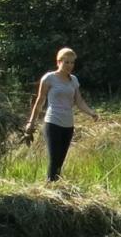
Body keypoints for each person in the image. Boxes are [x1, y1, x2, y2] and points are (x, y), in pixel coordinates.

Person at [23, 47, 99, 182]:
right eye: (66, 62)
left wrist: (91, 113)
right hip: (52, 122)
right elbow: (40, 101)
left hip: (68, 124)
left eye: (72, 62)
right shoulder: (49, 78)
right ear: (59, 62)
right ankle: (49, 189)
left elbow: (79, 101)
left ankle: (56, 187)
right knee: (54, 159)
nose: (70, 65)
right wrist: (31, 122)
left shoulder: (74, 80)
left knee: (60, 161)